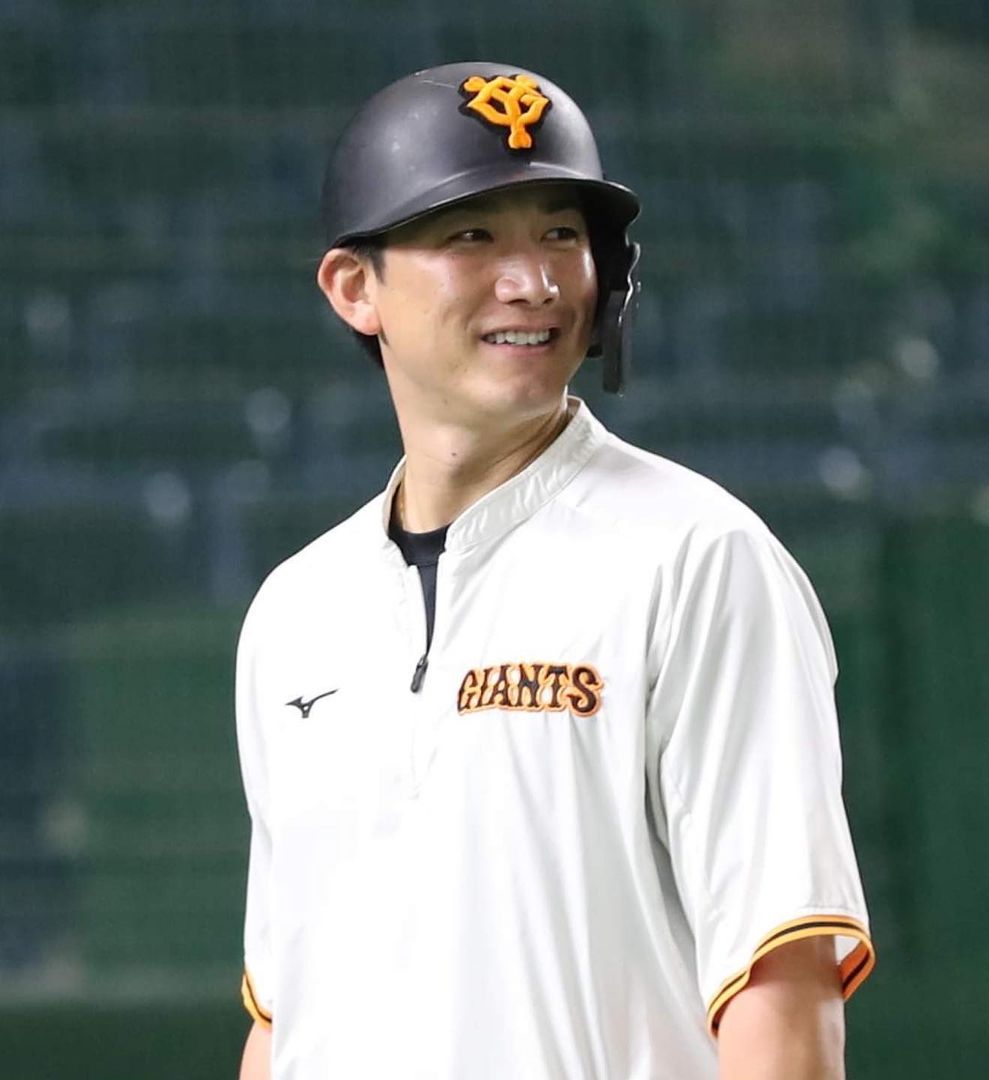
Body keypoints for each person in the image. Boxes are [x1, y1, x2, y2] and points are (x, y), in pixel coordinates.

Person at [235, 62, 874, 1080]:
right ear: (356, 289)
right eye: (471, 236)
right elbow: (284, 1017)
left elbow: (781, 996)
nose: (532, 282)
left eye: (562, 236)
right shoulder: (294, 612)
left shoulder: (700, 558)